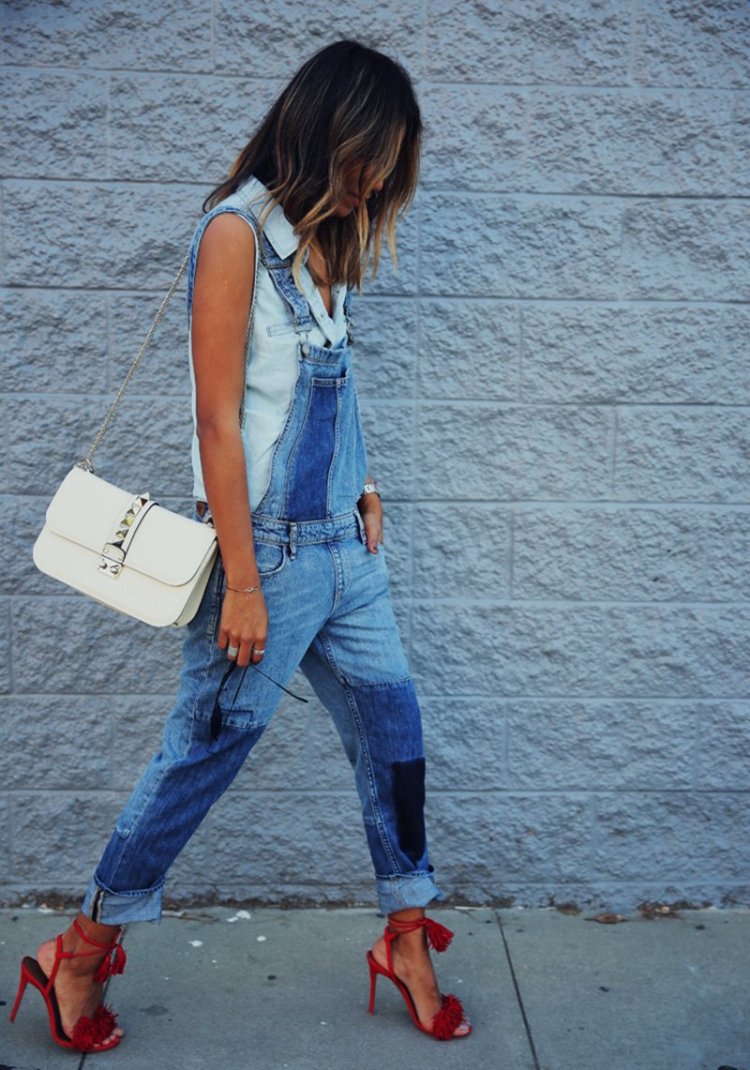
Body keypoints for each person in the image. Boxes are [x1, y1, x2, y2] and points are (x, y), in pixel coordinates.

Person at [10, 39, 472, 1053]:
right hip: (266, 558)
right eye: (366, 171)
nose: (371, 194)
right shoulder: (233, 236)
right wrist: (247, 584)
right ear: (325, 139)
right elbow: (220, 423)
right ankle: (76, 950)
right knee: (201, 758)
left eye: (385, 178)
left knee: (395, 737)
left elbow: (327, 382)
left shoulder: (326, 239)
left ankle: (406, 937)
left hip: (349, 557)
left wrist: (367, 483)